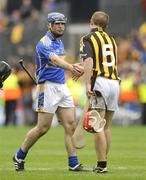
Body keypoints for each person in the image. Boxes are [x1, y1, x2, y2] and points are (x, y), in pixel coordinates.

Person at [13, 12, 84, 172]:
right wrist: (73, 67)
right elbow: (56, 61)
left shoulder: (59, 42)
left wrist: (74, 66)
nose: (60, 26)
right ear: (49, 25)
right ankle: (19, 155)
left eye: (62, 24)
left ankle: (73, 164)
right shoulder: (43, 43)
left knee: (70, 125)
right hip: (48, 88)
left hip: (62, 87)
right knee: (42, 128)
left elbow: (62, 63)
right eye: (57, 24)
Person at [79, 11, 120, 173]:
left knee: (97, 126)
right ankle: (103, 161)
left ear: (91, 22)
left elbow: (89, 61)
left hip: (100, 82)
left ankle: (102, 165)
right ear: (106, 25)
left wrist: (87, 83)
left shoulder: (88, 38)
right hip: (114, 82)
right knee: (106, 126)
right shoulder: (112, 40)